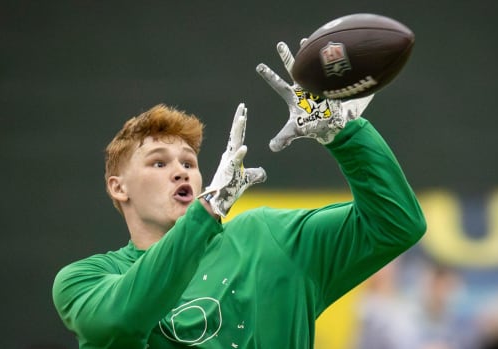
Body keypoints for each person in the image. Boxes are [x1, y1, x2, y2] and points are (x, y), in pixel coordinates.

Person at [52, 41, 427, 349]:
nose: (181, 170)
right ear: (119, 188)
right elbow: (119, 324)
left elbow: (397, 225)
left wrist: (344, 135)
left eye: (189, 162)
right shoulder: (85, 279)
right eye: (158, 163)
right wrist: (207, 212)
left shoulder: (268, 236)